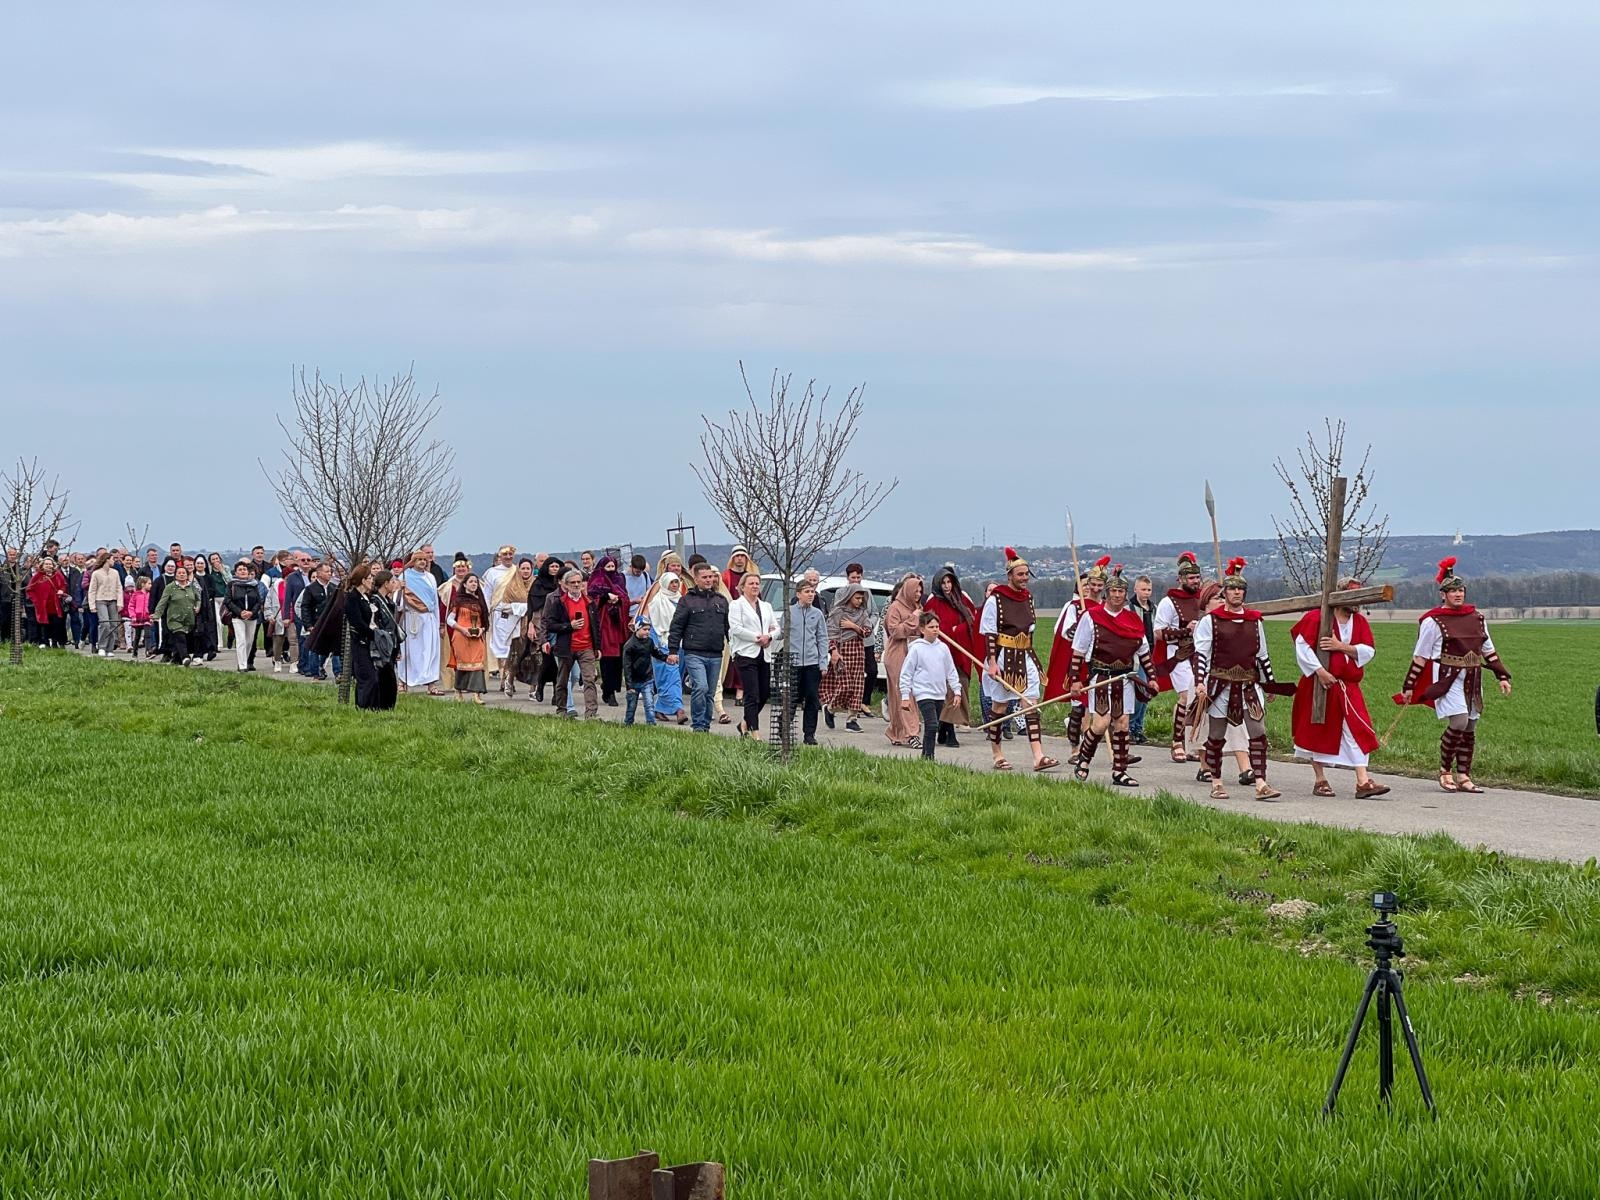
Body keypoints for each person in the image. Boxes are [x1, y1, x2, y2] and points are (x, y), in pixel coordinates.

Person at [1395, 557, 1512, 795]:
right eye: (1452, 591)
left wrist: (1502, 676)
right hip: (1447, 676)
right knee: (1458, 721)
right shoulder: (1433, 621)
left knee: (1470, 725)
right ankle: (1445, 771)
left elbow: (1488, 650)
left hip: (1473, 676)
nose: (1457, 594)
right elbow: (1420, 657)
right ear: (1443, 594)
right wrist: (1409, 686)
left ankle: (1464, 775)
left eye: (1460, 590)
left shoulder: (1477, 618)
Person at [1193, 558, 1289, 801]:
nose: (1236, 592)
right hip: (1219, 685)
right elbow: (1201, 655)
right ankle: (1216, 782)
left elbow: (1262, 655)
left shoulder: (1254, 621)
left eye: (1240, 589)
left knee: (1258, 732)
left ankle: (1261, 783)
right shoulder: (1210, 622)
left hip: (1248, 685)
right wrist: (1200, 683)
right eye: (1232, 589)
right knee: (1216, 735)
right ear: (1225, 593)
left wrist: (1270, 683)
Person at [1292, 579, 1389, 798]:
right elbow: (1303, 646)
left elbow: (1368, 650)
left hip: (1348, 687)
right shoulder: (1317, 618)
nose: (1358, 603)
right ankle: (1320, 780)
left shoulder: (1360, 622)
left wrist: (1340, 646)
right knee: (1317, 730)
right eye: (1353, 596)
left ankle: (1363, 781)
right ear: (1340, 596)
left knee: (1357, 729)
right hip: (1319, 684)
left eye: (1360, 597)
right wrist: (1320, 671)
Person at [1067, 571, 1158, 786]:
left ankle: (1119, 771)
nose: (1117, 595)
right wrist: (1075, 680)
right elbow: (1078, 652)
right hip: (1100, 677)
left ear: (1125, 595)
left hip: (1124, 677)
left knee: (1123, 723)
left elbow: (1144, 651)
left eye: (1121, 591)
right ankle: (1084, 760)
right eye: (1114, 591)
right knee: (1100, 724)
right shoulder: (1091, 616)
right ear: (1107, 594)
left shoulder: (1132, 619)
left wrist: (1152, 678)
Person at [978, 548, 1059, 773]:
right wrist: (993, 662)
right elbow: (990, 632)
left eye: (1026, 574)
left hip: (1026, 656)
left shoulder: (1028, 598)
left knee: (1030, 706)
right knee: (1000, 706)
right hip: (1004, 657)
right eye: (1020, 574)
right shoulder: (996, 599)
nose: (1024, 578)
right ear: (1010, 576)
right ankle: (997, 754)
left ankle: (1038, 756)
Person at [1045, 555, 1110, 757]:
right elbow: (1064, 632)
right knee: (1078, 708)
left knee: (1100, 708)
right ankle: (1075, 750)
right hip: (1079, 662)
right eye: (1093, 585)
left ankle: (1098, 749)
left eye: (1100, 585)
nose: (1096, 589)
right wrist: (1084, 625)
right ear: (1087, 585)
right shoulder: (1075, 607)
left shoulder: (1107, 607)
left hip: (1099, 663)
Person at [1153, 553, 1209, 765]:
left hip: (1200, 654)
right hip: (1178, 654)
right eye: (1191, 578)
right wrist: (1184, 630)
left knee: (1199, 699)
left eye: (1197, 577)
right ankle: (1177, 742)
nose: (1195, 581)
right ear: (1181, 579)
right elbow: (1159, 632)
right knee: (1186, 697)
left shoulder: (1203, 599)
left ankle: (1192, 741)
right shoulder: (1169, 602)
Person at [666, 562, 730, 733]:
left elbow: (728, 628)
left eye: (711, 577)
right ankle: (698, 725)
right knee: (700, 687)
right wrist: (672, 651)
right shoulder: (687, 600)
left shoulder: (721, 601)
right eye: (705, 577)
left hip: (716, 653)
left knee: (709, 692)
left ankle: (705, 725)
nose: (709, 580)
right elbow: (677, 626)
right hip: (694, 652)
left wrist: (735, 648)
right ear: (696, 579)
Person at [924, 565, 979, 748]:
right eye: (944, 582)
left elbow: (972, 621)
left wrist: (959, 630)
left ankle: (945, 726)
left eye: (949, 582)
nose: (947, 586)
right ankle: (950, 732)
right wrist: (946, 632)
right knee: (947, 692)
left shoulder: (962, 599)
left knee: (960, 689)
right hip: (941, 655)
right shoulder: (933, 604)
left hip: (961, 654)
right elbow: (930, 626)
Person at [899, 611, 961, 761]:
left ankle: (926, 756)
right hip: (923, 692)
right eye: (931, 626)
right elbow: (906, 673)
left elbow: (951, 671)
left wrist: (957, 691)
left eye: (937, 626)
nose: (935, 630)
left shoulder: (943, 648)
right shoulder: (916, 649)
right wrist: (905, 696)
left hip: (939, 693)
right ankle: (929, 757)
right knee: (932, 724)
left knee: (933, 725)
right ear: (922, 629)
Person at [728, 570, 779, 738]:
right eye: (751, 583)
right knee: (752, 693)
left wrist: (769, 636)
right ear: (742, 587)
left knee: (764, 692)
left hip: (764, 652)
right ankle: (754, 732)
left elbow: (776, 627)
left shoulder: (766, 606)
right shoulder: (737, 605)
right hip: (745, 653)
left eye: (757, 583)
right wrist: (756, 637)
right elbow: (736, 628)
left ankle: (744, 723)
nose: (755, 586)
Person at [545, 568, 600, 719]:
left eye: (579, 582)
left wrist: (598, 647)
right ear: (566, 585)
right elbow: (550, 624)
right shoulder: (559, 603)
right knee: (563, 680)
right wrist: (570, 626)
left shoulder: (589, 602)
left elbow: (596, 625)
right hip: (566, 647)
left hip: (586, 647)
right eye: (573, 583)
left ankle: (591, 714)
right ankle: (562, 710)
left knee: (589, 680)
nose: (576, 585)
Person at [346, 564, 401, 711]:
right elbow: (357, 622)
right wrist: (374, 634)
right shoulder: (352, 598)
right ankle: (363, 707)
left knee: (376, 677)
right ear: (363, 580)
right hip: (361, 642)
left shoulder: (367, 598)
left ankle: (375, 706)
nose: (372, 580)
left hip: (370, 642)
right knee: (367, 678)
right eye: (369, 578)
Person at [819, 583, 872, 732]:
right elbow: (831, 633)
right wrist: (833, 651)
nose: (859, 601)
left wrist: (854, 626)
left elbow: (867, 631)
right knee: (845, 685)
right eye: (857, 598)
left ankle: (852, 719)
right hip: (842, 650)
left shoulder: (862, 613)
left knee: (858, 686)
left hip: (858, 651)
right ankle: (830, 708)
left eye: (862, 598)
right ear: (849, 597)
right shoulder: (838, 612)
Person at [882, 573, 925, 747]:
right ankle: (912, 733)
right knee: (903, 693)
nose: (918, 594)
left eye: (920, 591)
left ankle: (897, 732)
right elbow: (895, 631)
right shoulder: (895, 607)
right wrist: (914, 618)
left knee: (905, 694)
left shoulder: (918, 606)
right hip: (898, 654)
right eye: (916, 591)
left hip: (914, 653)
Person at [789, 578, 831, 745]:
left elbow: (822, 638)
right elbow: (781, 633)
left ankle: (809, 733)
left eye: (812, 591)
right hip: (794, 662)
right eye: (807, 592)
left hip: (812, 663)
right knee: (793, 697)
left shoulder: (817, 614)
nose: (810, 595)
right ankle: (784, 725)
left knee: (812, 698)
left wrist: (823, 662)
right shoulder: (790, 612)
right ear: (798, 594)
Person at [587, 555, 633, 707]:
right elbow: (591, 601)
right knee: (607, 659)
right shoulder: (595, 581)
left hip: (618, 626)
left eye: (613, 567)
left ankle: (612, 687)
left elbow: (625, 599)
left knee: (618, 660)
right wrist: (606, 597)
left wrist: (618, 600)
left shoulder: (619, 580)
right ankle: (609, 691)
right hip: (604, 626)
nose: (611, 570)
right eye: (608, 567)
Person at [398, 552, 443, 696]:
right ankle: (403, 682)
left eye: (424, 559)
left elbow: (434, 601)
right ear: (413, 561)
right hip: (411, 617)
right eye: (419, 559)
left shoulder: (430, 577)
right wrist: (401, 589)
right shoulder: (404, 576)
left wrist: (437, 621)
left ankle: (431, 684)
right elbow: (397, 600)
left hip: (428, 619)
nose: (423, 562)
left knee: (430, 652)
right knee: (408, 651)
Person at [490, 557, 534, 697]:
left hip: (534, 624)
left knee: (535, 656)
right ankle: (508, 680)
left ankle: (533, 688)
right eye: (523, 568)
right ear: (518, 569)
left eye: (528, 568)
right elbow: (504, 606)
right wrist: (523, 608)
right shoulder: (511, 585)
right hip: (516, 625)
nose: (525, 571)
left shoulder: (536, 584)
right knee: (515, 656)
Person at [647, 571, 688, 724]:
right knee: (671, 678)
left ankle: (659, 708)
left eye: (676, 582)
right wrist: (657, 647)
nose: (675, 585)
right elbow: (655, 625)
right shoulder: (657, 601)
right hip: (662, 644)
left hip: (680, 644)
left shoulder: (682, 600)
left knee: (674, 677)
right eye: (671, 582)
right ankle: (679, 710)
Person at [446, 572, 491, 704]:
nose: (473, 584)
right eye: (471, 582)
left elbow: (485, 622)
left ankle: (477, 695)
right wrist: (462, 629)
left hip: (476, 637)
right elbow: (449, 620)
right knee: (462, 665)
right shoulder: (458, 601)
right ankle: (458, 691)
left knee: (477, 665)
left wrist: (481, 630)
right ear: (464, 584)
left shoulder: (480, 601)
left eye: (475, 582)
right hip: (461, 636)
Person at [529, 556, 565, 702]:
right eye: (552, 566)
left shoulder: (563, 585)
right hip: (542, 625)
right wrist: (530, 624)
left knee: (559, 663)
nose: (555, 569)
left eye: (557, 567)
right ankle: (540, 686)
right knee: (547, 661)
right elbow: (531, 607)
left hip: (559, 625)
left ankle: (557, 694)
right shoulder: (538, 584)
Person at [151, 563, 202, 664]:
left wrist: (198, 606)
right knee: (180, 636)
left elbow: (198, 599)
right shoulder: (170, 587)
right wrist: (157, 614)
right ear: (176, 575)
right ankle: (185, 657)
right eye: (179, 573)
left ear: (187, 575)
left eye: (184, 573)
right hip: (175, 619)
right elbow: (163, 601)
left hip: (189, 619)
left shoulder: (192, 587)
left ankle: (176, 660)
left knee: (184, 639)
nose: (182, 575)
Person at [622, 616, 668, 726]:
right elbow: (627, 666)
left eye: (649, 629)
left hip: (647, 679)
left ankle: (651, 723)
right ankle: (628, 723)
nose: (647, 632)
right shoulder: (629, 645)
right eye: (644, 629)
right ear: (637, 629)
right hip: (633, 681)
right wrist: (629, 685)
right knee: (631, 705)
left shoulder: (650, 642)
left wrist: (666, 658)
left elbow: (656, 653)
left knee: (649, 703)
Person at [436, 553, 472, 691]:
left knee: (469, 653)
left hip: (470, 624)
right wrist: (442, 625)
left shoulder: (475, 583)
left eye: (464, 567)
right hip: (453, 625)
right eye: (458, 567)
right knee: (455, 654)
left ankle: (469, 682)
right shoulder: (448, 586)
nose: (461, 570)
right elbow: (443, 607)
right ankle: (456, 682)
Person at [1128, 574, 1157, 744]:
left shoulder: (1153, 608)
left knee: (1148, 693)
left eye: (1149, 590)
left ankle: (1138, 726)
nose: (1146, 593)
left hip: (1150, 653)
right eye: (1143, 589)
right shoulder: (1130, 608)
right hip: (1136, 655)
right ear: (1136, 589)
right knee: (1141, 690)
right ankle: (1131, 726)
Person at [481, 545, 517, 677]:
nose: (508, 557)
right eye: (505, 554)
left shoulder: (517, 571)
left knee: (513, 646)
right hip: (498, 614)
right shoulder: (492, 573)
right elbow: (487, 595)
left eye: (510, 554)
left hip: (516, 614)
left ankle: (510, 676)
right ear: (500, 556)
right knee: (501, 646)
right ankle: (504, 676)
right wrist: (486, 614)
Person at [222, 560, 261, 672]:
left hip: (251, 617)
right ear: (236, 572)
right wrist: (240, 612)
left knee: (249, 641)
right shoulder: (232, 584)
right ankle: (242, 665)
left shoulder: (254, 584)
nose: (243, 571)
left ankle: (245, 659)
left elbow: (258, 601)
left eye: (245, 569)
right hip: (237, 617)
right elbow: (228, 601)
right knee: (241, 640)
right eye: (240, 570)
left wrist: (252, 613)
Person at [25, 557, 70, 648]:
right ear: (42, 565)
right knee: (44, 625)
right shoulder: (38, 576)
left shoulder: (57, 575)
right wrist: (36, 600)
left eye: (50, 564)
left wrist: (61, 591)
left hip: (55, 604)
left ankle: (55, 642)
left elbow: (63, 585)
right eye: (46, 564)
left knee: (57, 624)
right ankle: (45, 642)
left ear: (53, 565)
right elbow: (29, 589)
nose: (48, 566)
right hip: (43, 605)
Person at [88, 551, 123, 657]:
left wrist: (120, 603)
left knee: (113, 625)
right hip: (100, 600)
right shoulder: (96, 573)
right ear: (107, 560)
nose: (113, 561)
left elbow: (119, 587)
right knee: (105, 623)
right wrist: (92, 605)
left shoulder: (115, 573)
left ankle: (110, 648)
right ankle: (102, 646)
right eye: (112, 559)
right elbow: (92, 590)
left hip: (113, 600)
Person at [125, 574, 155, 658]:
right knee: (137, 636)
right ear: (143, 584)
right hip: (137, 618)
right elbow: (131, 606)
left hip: (147, 618)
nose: (150, 585)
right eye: (149, 583)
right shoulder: (136, 594)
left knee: (147, 634)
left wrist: (152, 615)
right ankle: (135, 652)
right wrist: (133, 616)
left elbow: (152, 605)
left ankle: (148, 651)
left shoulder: (150, 595)